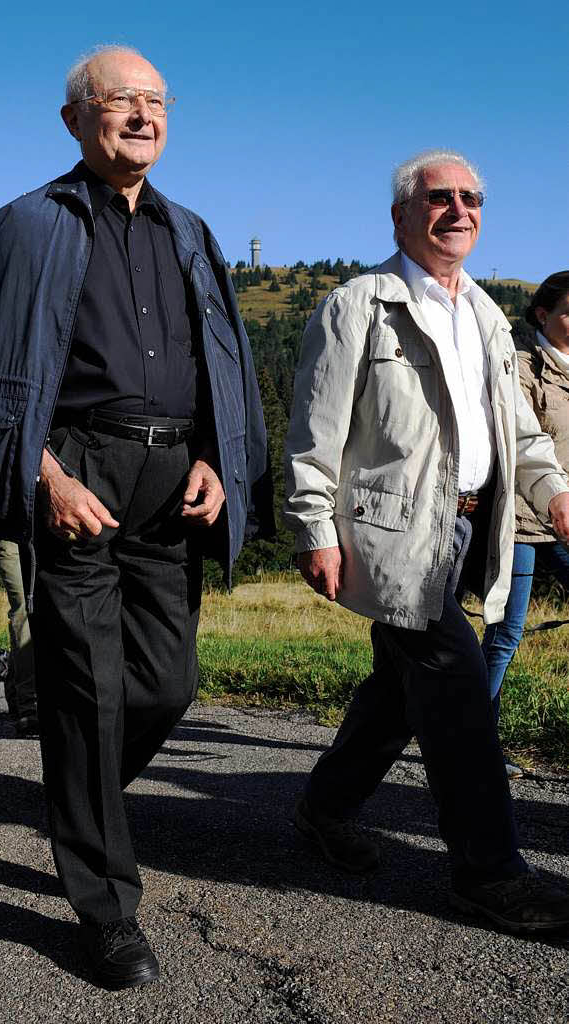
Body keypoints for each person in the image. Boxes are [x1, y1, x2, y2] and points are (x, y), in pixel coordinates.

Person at [0, 45, 271, 989]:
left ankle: (74, 779)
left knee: (165, 685)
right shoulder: (23, 225)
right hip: (76, 476)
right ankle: (108, 908)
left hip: (172, 485)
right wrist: (43, 474)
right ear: (76, 118)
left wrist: (217, 459)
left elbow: (220, 365)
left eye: (158, 101)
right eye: (122, 101)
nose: (144, 116)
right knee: (94, 696)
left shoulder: (191, 230)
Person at [284, 149, 569, 935]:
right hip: (394, 530)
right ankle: (490, 874)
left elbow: (515, 426)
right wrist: (314, 526)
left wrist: (556, 494)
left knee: (396, 693)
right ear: (402, 216)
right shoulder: (359, 305)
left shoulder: (481, 311)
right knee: (456, 682)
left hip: (476, 523)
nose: (459, 209)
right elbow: (314, 431)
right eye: (439, 197)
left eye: (471, 197)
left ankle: (324, 808)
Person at [482, 271, 569, 777]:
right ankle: (477, 742)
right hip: (520, 516)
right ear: (542, 315)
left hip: (563, 514)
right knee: (506, 632)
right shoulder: (520, 365)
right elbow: (522, 437)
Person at [0, 539, 38, 737]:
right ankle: (30, 705)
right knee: (23, 611)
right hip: (9, 535)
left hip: (47, 533)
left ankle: (14, 692)